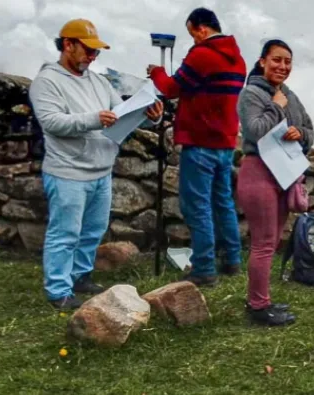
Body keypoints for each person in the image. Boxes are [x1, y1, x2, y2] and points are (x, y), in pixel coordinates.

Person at [30, 19, 163, 310]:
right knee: (64, 233)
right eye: (88, 50)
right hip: (67, 172)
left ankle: (80, 277)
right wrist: (94, 119)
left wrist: (150, 115)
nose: (93, 57)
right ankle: (58, 290)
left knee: (92, 230)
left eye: (96, 52)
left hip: (101, 171)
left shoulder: (98, 81)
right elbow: (51, 122)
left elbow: (122, 113)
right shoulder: (46, 81)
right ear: (68, 45)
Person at [148, 7, 247, 287]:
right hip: (225, 143)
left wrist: (155, 72)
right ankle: (232, 259)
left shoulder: (202, 55)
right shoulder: (237, 59)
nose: (192, 40)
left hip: (200, 142)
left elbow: (170, 88)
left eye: (192, 34)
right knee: (223, 202)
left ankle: (203, 268)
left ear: (201, 29)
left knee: (197, 206)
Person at [235, 39, 313, 327]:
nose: (282, 66)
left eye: (287, 62)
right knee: (264, 243)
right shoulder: (251, 94)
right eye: (277, 60)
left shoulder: (289, 94)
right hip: (259, 172)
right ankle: (258, 306)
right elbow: (254, 131)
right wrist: (276, 108)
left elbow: (310, 129)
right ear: (262, 62)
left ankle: (261, 297)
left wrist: (299, 133)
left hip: (284, 173)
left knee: (272, 239)